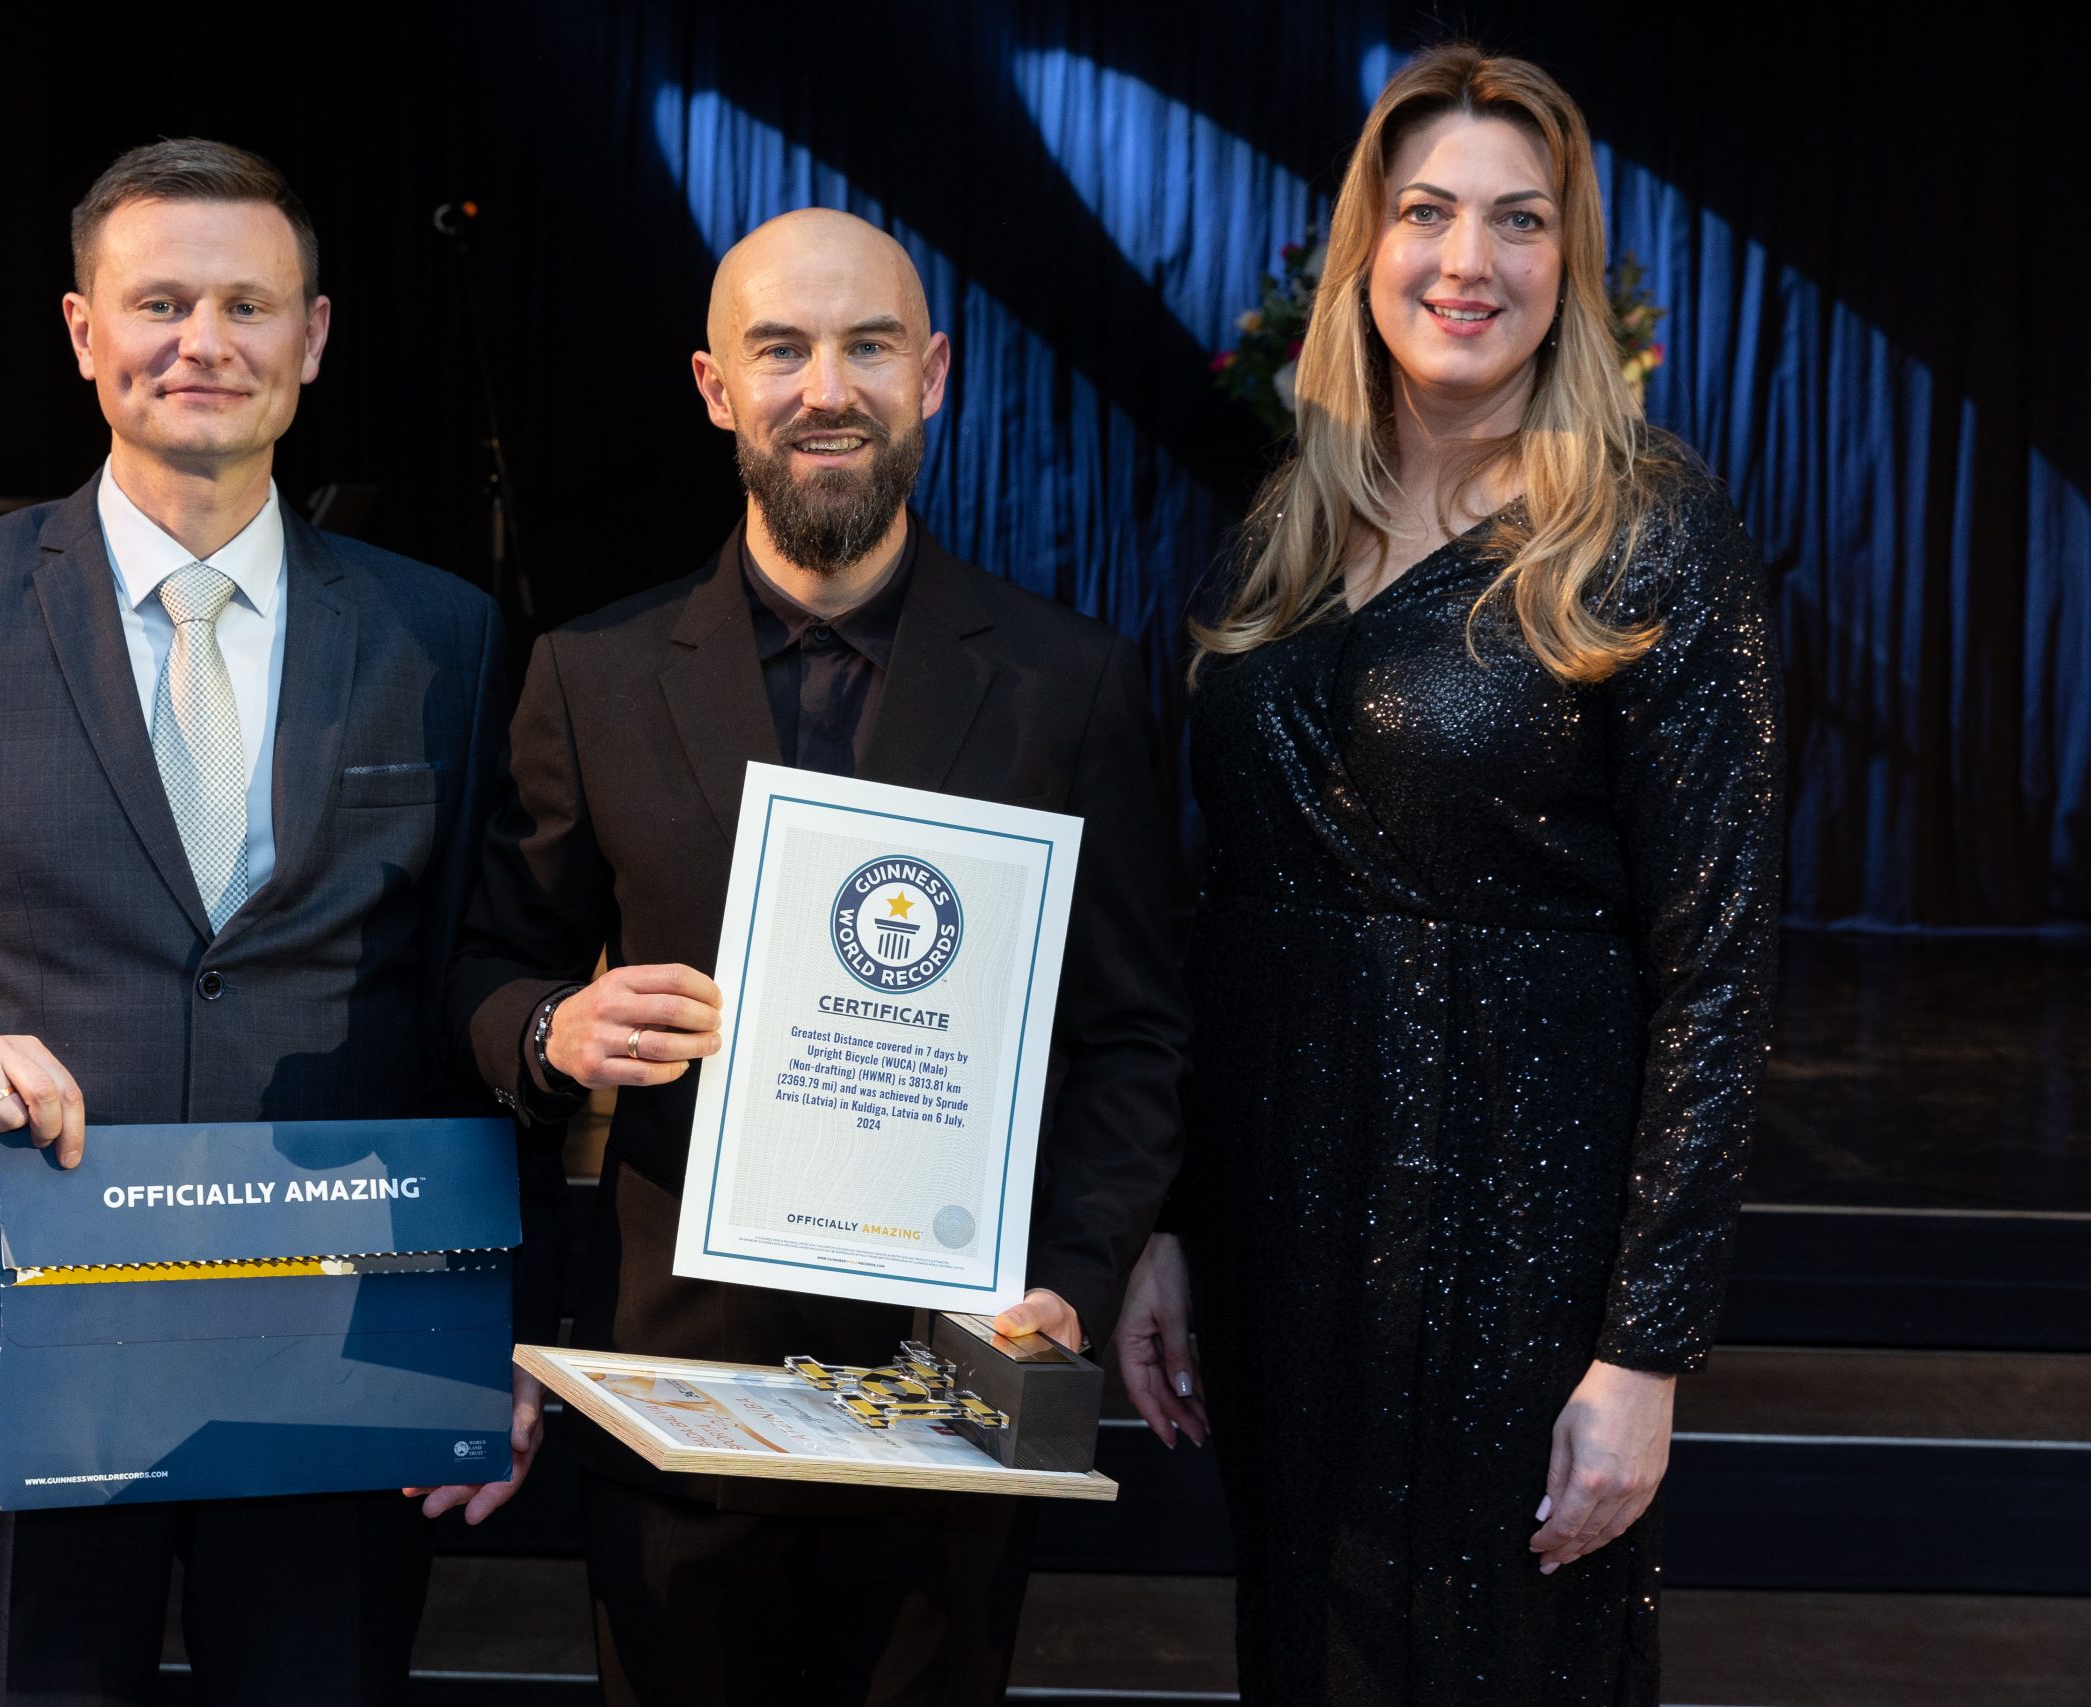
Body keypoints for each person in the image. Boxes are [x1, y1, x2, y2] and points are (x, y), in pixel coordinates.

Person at [0, 138, 535, 1706]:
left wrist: (492, 1323)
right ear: (85, 333)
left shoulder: (440, 631)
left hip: (343, 1356)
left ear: (312, 338)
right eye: (160, 303)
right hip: (11, 1355)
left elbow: (464, 988)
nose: (202, 341)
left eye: (247, 304)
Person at [439, 208, 1187, 1705]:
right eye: (780, 350)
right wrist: (551, 1030)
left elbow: (1133, 1036)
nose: (825, 389)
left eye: (869, 348)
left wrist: (1072, 1281)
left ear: (935, 376)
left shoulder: (1071, 687)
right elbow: (484, 976)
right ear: (716, 387)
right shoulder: (591, 677)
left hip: (950, 1403)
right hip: (675, 1402)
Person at [1110, 45, 1784, 1707]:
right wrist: (1172, 1221)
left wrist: (1646, 1352)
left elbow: (1717, 970)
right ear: (1366, 248)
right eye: (1425, 212)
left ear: (1571, 263)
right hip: (1280, 1228)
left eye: (1518, 220)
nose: (1466, 260)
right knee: (1308, 1655)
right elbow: (1220, 908)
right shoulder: (1286, 522)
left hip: (1516, 1246)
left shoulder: (1653, 535)